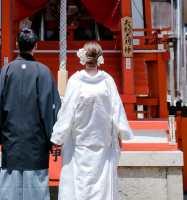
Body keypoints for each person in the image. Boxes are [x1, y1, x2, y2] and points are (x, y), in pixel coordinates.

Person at [0, 28, 62, 200]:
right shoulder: (44, 72)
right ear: (36, 45)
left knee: (9, 191)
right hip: (36, 143)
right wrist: (53, 136)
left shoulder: (6, 71)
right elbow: (52, 109)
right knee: (37, 191)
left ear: (17, 45)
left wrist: (1, 130)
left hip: (11, 140)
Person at [50, 42, 134, 200]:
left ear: (83, 58)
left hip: (79, 143)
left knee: (79, 187)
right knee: (101, 188)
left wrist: (57, 137)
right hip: (103, 142)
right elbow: (117, 109)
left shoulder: (75, 81)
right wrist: (121, 133)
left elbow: (67, 112)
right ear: (99, 58)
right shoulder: (107, 81)